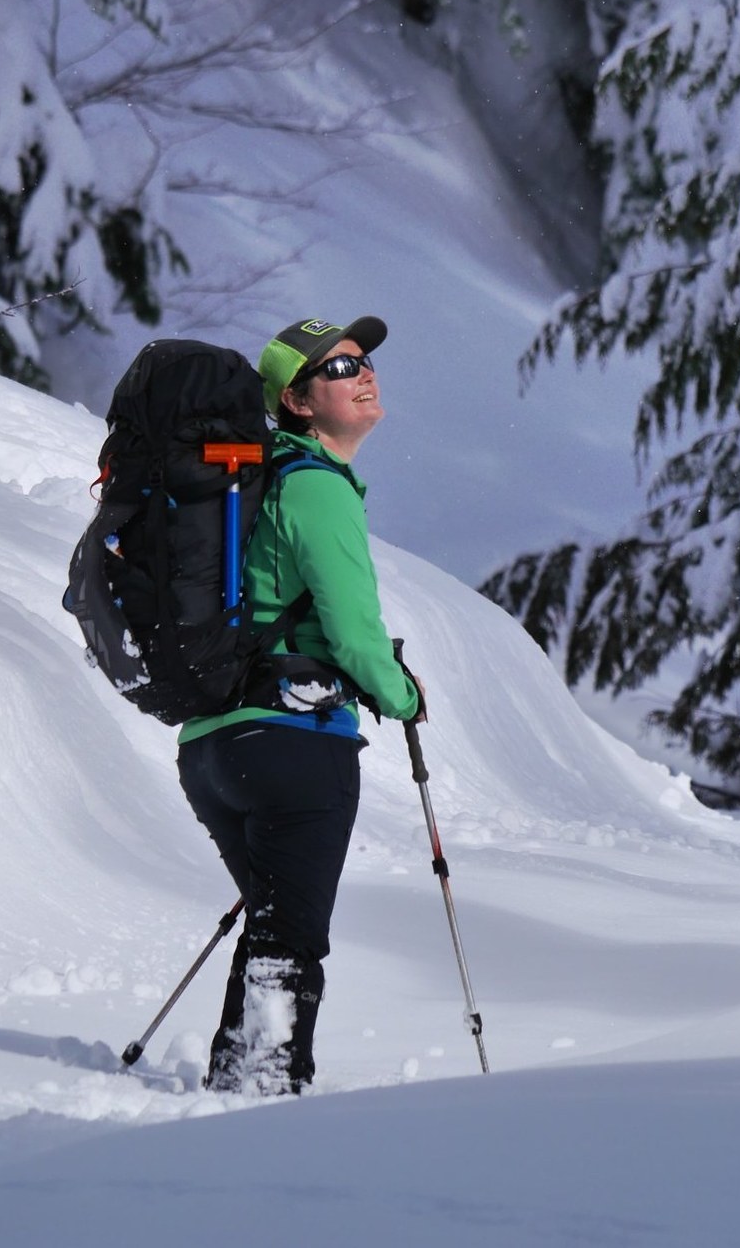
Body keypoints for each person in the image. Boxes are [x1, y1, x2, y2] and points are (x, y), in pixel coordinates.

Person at [174, 315, 424, 1095]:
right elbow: (354, 633)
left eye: (365, 359)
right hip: (294, 741)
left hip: (214, 745)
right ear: (298, 401)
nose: (363, 371)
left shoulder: (259, 482)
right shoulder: (315, 487)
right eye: (341, 365)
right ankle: (264, 1087)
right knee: (289, 933)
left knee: (274, 920)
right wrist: (403, 695)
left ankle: (240, 1079)